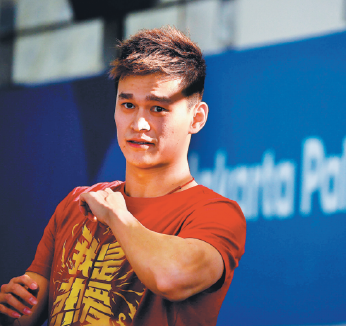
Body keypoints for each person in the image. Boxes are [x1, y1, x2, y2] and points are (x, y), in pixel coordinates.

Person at [0, 26, 246, 326]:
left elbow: (172, 278)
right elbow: (26, 312)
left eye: (158, 108)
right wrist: (14, 303)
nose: (139, 123)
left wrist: (119, 215)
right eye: (128, 105)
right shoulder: (75, 204)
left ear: (197, 118)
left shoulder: (216, 214)